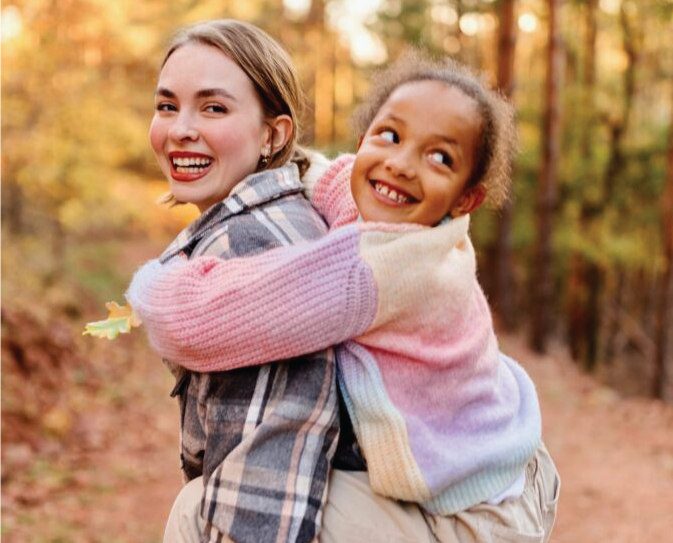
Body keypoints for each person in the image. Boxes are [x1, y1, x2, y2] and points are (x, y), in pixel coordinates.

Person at [128, 51, 560, 543]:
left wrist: (151, 285)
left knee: (193, 513)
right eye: (390, 136)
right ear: (362, 142)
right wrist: (278, 158)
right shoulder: (392, 211)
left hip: (473, 516)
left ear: (467, 199)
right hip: (509, 460)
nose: (400, 164)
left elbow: (206, 320)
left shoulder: (379, 269)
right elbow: (326, 174)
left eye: (439, 157)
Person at [136, 19, 342, 543]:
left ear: (274, 133)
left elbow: (261, 499)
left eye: (214, 108)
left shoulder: (250, 252)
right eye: (167, 105)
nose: (180, 128)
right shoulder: (276, 219)